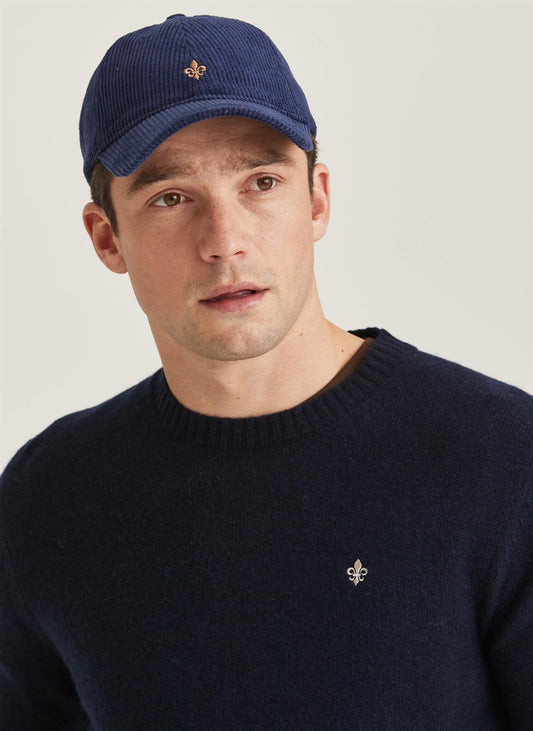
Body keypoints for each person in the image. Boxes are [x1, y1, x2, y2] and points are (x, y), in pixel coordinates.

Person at [0, 13, 531, 729]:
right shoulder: (47, 500)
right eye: (170, 197)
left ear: (316, 200)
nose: (225, 241)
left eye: (261, 182)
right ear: (107, 238)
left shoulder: (500, 459)